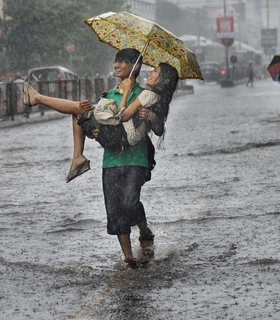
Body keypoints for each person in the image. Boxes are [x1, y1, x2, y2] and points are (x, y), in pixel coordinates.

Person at [25, 48, 179, 268]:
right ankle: (129, 258)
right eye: (115, 62)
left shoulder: (144, 94)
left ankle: (143, 229)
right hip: (112, 160)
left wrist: (150, 115)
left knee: (130, 203)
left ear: (134, 67)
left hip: (135, 160)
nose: (116, 66)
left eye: (122, 62)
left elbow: (156, 126)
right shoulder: (109, 94)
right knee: (115, 210)